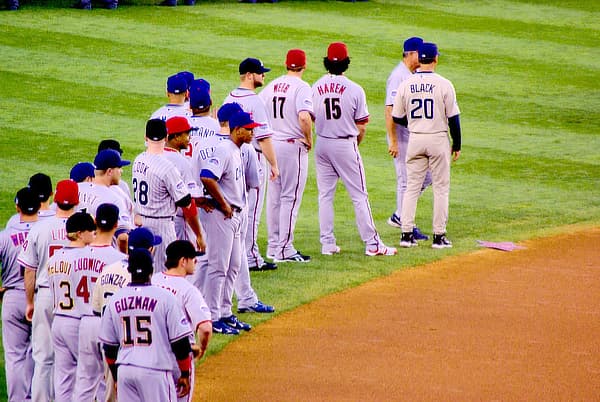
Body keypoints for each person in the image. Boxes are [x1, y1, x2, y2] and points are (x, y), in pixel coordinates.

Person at [312, 42, 397, 257]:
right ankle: (372, 244)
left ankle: (327, 243)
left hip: (322, 143)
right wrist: (352, 147)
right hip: (344, 143)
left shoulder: (315, 86)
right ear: (346, 62)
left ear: (326, 62)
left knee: (325, 195)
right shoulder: (354, 89)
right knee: (359, 196)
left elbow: (308, 117)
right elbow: (362, 126)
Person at [99, 248, 193, 401]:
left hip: (125, 371)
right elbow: (180, 343)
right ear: (152, 269)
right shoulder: (165, 298)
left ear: (129, 270)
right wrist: (184, 373)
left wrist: (116, 377)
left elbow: (109, 348)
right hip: (155, 371)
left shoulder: (115, 300)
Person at [392, 42, 462, 249]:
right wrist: (456, 144)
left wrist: (414, 126)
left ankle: (406, 235)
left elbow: (397, 117)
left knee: (411, 187)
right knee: (441, 188)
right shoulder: (444, 84)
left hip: (415, 139)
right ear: (435, 59)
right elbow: (454, 119)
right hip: (438, 139)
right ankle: (439, 236)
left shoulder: (405, 83)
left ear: (419, 60)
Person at [18, 178, 80, 402]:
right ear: (77, 201)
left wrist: (29, 302)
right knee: (75, 357)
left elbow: (29, 271)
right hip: (73, 298)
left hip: (45, 293)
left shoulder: (39, 228)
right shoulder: (83, 230)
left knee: (43, 357)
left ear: (55, 198)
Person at [199, 111, 260, 334]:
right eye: (249, 129)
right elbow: (206, 176)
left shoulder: (238, 150)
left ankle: (225, 313)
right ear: (237, 130)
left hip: (236, 215)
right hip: (222, 217)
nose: (253, 132)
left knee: (233, 265)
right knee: (218, 267)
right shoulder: (224, 150)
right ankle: (213, 316)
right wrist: (223, 203)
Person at [216, 103, 276, 313]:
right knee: (227, 263)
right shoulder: (243, 148)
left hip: (202, 208)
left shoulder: (208, 142)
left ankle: (238, 301)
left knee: (212, 262)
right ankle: (226, 308)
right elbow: (254, 182)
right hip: (231, 210)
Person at [91, 226, 162, 402]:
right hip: (133, 344)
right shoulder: (143, 277)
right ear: (150, 250)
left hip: (107, 339)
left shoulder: (107, 270)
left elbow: (97, 310)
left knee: (109, 393)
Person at [224, 57, 279, 271]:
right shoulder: (255, 101)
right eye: (260, 72)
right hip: (253, 157)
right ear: (249, 75)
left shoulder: (230, 97)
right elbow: (264, 139)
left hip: (233, 156)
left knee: (238, 205)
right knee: (253, 209)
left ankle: (237, 254)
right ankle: (251, 257)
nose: (263, 75)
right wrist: (274, 164)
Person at [260, 48, 314, 263]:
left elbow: (258, 110)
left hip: (272, 146)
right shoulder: (302, 87)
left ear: (286, 64)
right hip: (292, 147)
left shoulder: (272, 84)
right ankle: (285, 249)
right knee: (289, 198)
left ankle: (274, 247)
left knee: (274, 197)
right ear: (304, 65)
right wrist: (309, 138)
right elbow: (304, 117)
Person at [73, 203, 126, 402]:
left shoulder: (76, 255)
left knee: (85, 383)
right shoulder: (120, 260)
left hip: (84, 322)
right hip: (108, 326)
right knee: (110, 385)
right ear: (117, 224)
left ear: (95, 222)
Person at [132, 119, 197, 271]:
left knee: (143, 269)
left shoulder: (138, 160)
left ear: (145, 137)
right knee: (163, 272)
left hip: (141, 224)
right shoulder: (167, 167)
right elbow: (185, 201)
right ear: (167, 137)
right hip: (162, 226)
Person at [151, 240, 212, 402]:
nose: (196, 261)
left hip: (149, 357)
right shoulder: (189, 290)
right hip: (178, 359)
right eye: (193, 258)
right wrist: (202, 348)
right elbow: (205, 328)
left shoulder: (152, 281)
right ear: (183, 261)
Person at [47, 211, 97, 402]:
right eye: (90, 230)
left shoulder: (55, 257)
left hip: (58, 321)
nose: (94, 232)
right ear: (79, 233)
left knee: (64, 378)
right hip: (78, 322)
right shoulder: (86, 257)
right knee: (90, 375)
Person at [385, 37, 431, 241]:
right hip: (402, 138)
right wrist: (393, 140)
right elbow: (389, 110)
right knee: (405, 181)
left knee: (427, 176)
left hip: (413, 137)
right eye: (419, 53)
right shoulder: (399, 76)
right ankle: (406, 224)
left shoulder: (411, 74)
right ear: (411, 54)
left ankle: (400, 214)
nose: (422, 57)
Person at [0, 187, 40, 401]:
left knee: (14, 356)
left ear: (17, 207)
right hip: (40, 297)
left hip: (12, 297)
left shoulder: (6, 235)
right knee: (38, 353)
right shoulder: (45, 233)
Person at [164, 115, 206, 252]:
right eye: (187, 133)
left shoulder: (154, 156)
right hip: (177, 221)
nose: (189, 137)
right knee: (184, 263)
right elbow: (189, 203)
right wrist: (199, 234)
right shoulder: (181, 162)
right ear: (176, 137)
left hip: (155, 219)